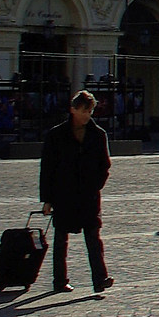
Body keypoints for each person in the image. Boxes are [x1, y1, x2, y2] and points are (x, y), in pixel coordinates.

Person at [37, 91, 114, 294]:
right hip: (64, 194)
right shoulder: (56, 135)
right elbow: (47, 168)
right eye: (84, 111)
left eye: (90, 111)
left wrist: (95, 185)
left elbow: (104, 165)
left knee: (93, 238)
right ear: (73, 109)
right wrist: (47, 199)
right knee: (61, 240)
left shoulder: (98, 135)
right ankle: (59, 281)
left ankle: (100, 279)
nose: (87, 115)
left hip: (88, 195)